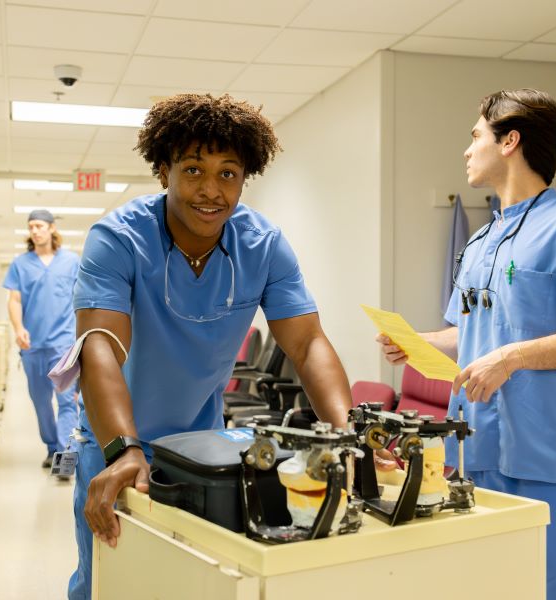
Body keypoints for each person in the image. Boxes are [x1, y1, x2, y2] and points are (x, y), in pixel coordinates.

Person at [68, 93, 353, 599]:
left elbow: (307, 344)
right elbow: (100, 348)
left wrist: (344, 436)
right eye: (194, 169)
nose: (211, 190)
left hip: (202, 448)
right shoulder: (119, 239)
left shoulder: (262, 245)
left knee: (195, 583)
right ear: (164, 171)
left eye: (228, 174)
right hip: (116, 444)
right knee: (110, 584)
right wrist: (123, 448)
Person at [377, 89, 556, 600]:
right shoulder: (480, 241)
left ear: (510, 141)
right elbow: (475, 332)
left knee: (545, 587)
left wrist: (512, 358)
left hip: (547, 459)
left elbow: (508, 346)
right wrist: (420, 341)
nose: (466, 150)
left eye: (475, 136)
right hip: (475, 451)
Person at [3, 209, 80, 468]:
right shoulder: (20, 264)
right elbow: (14, 300)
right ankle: (51, 446)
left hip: (64, 345)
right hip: (32, 345)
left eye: (39, 226)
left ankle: (64, 457)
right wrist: (18, 328)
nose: (35, 231)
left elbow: (81, 300)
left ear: (51, 228)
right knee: (41, 401)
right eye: (31, 227)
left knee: (68, 401)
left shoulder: (71, 262)